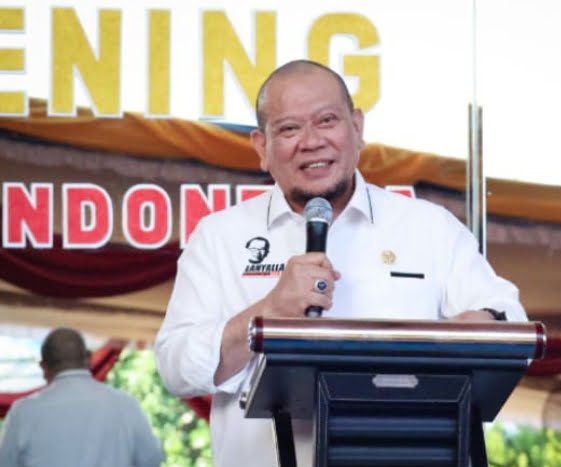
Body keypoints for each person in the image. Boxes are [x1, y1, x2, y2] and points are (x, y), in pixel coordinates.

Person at [155, 59, 527, 467]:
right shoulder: (219, 237)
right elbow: (176, 366)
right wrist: (269, 311)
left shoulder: (428, 227)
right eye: (289, 129)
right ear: (262, 147)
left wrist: (469, 332)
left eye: (327, 121)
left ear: (357, 128)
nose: (311, 142)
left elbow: (511, 322)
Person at [0, 328, 164, 467]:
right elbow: (151, 459)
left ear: (43, 367)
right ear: (89, 358)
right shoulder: (126, 405)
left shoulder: (23, 412)